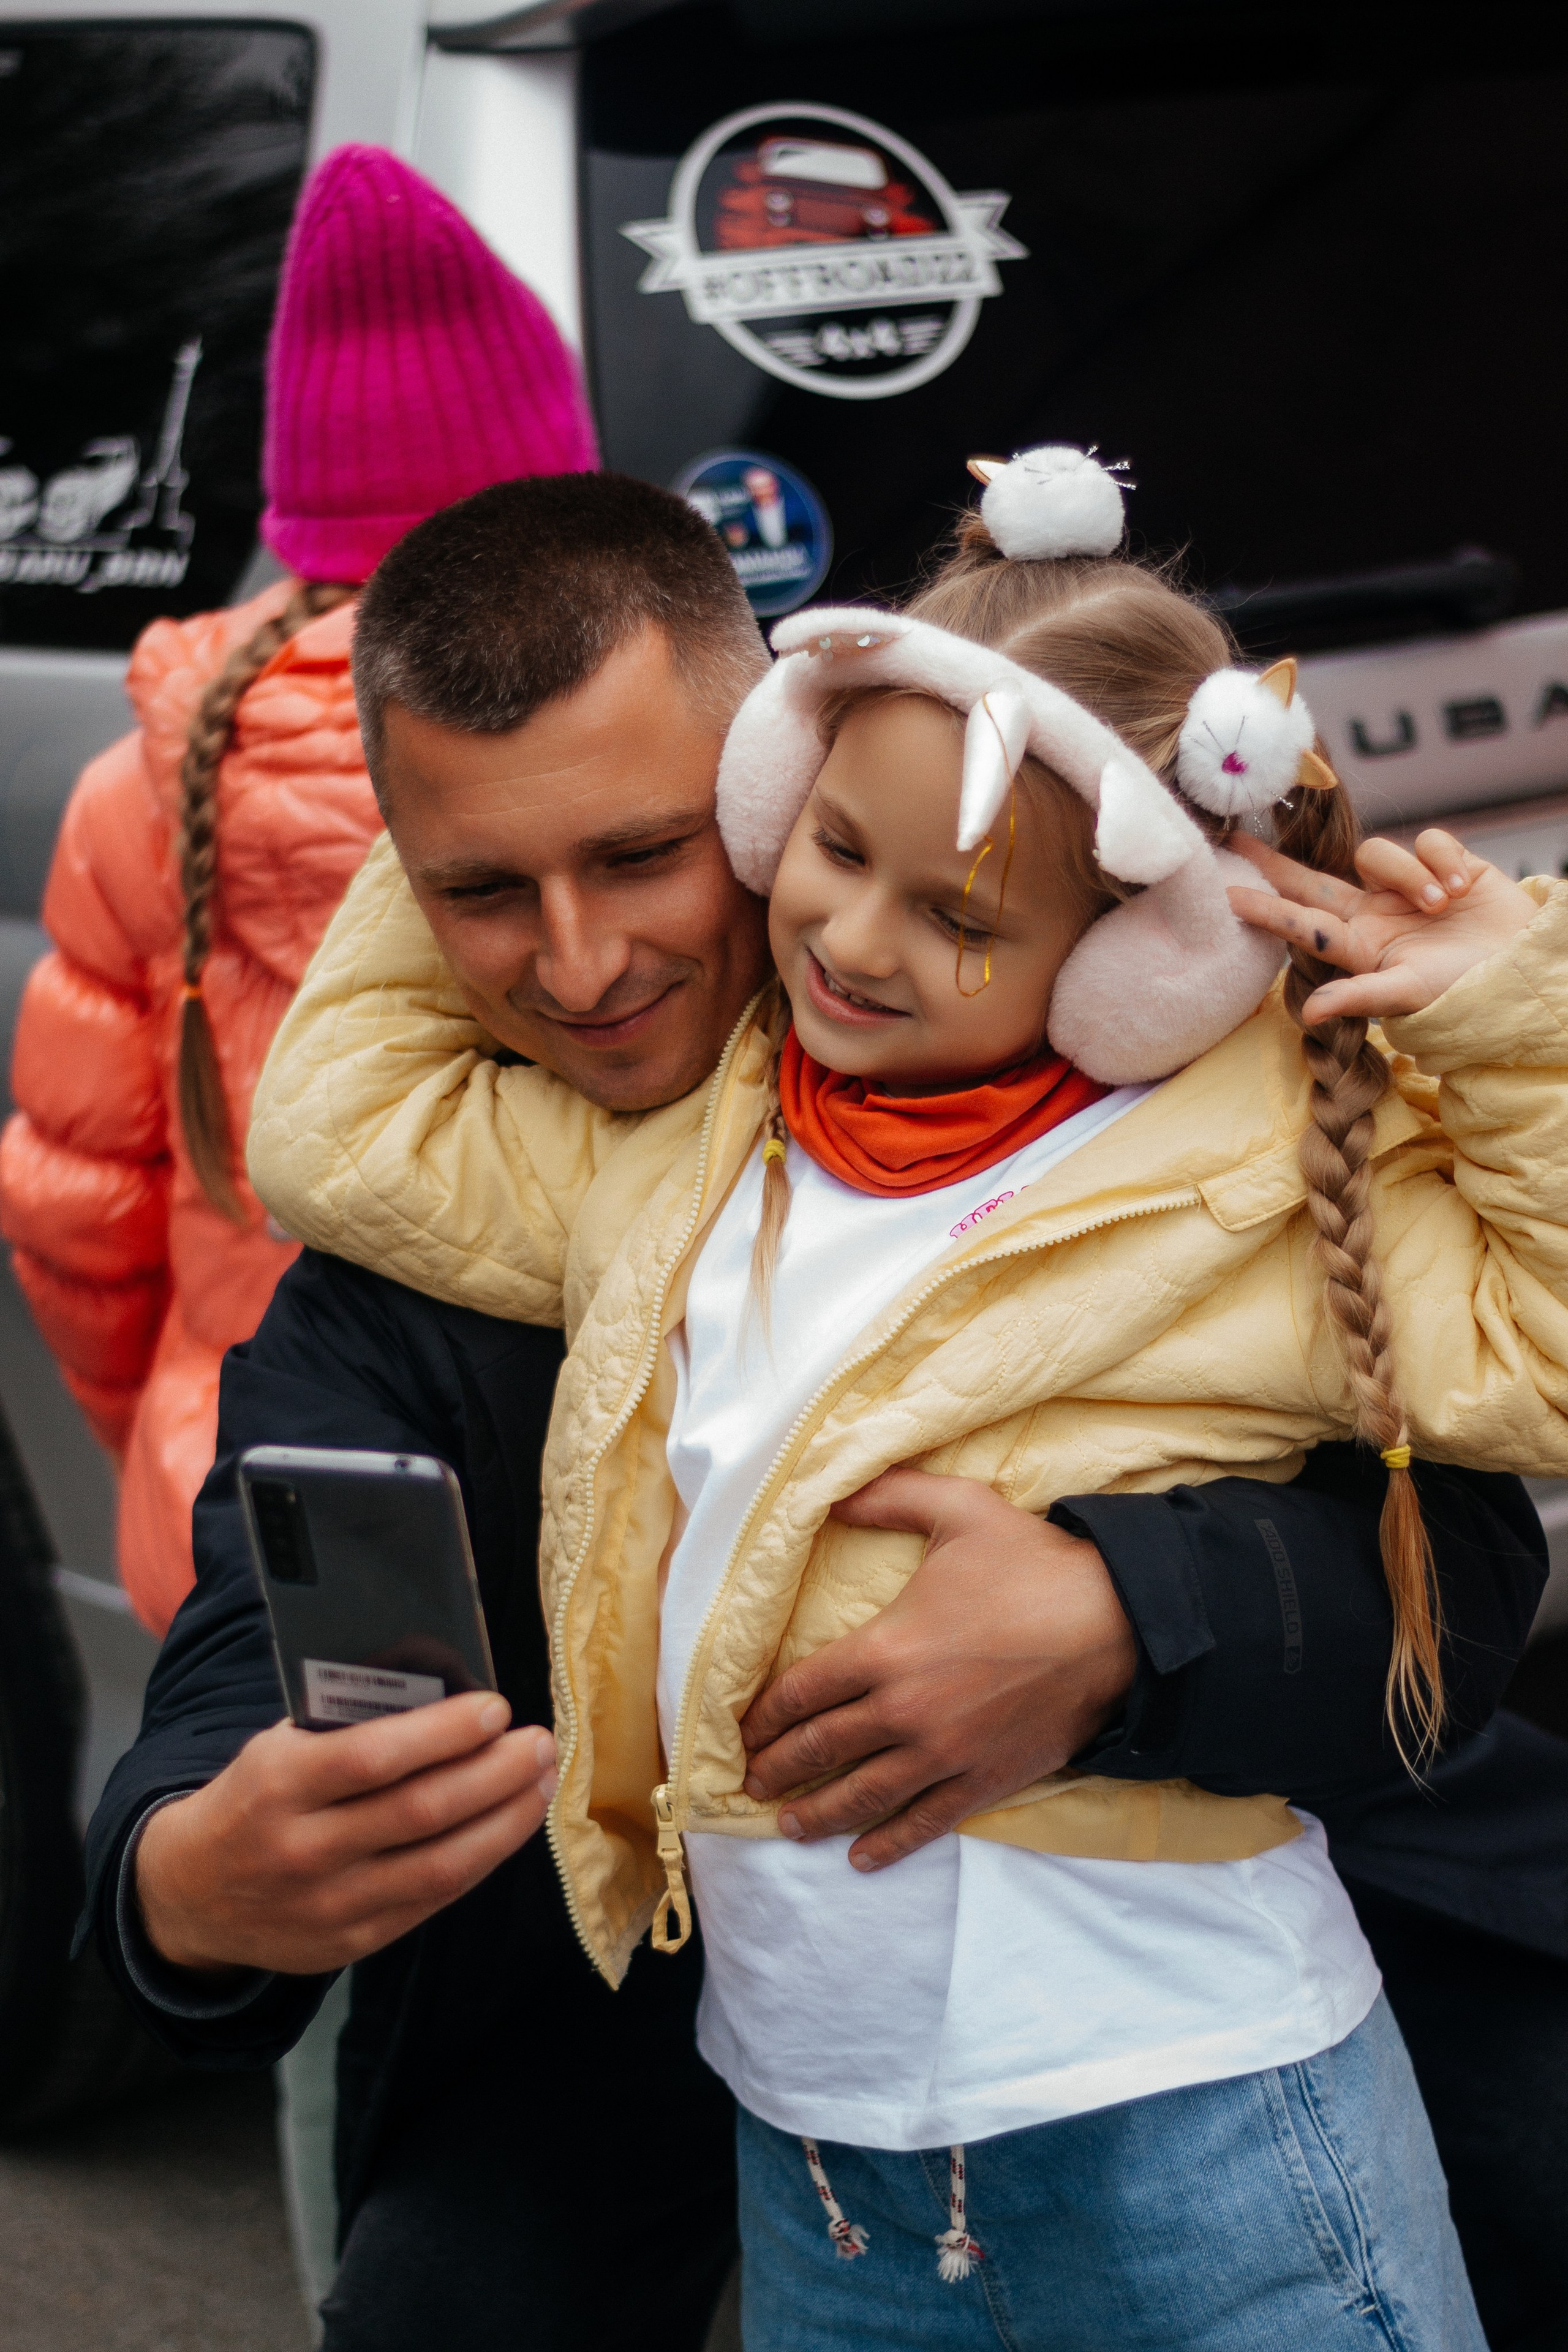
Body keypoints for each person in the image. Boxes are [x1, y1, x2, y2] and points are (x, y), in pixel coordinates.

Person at [89, 470, 1543, 2352]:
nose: (585, 963)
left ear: (760, 788)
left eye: (637, 852)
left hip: (1197, 2041)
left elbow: (1471, 1562)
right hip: (676, 2071)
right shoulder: (497, 1216)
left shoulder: (1178, 1124)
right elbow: (253, 1640)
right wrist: (181, 1876)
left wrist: (1124, 1616)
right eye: (480, 886)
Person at [0, 141, 596, 1633]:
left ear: (297, 507)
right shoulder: (652, 752)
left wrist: (167, 1441)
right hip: (600, 1489)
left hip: (273, 1519)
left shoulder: (148, 783)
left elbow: (80, 1220)